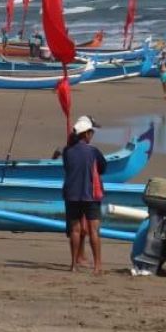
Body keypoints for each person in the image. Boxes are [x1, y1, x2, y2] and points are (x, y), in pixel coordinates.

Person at [62, 115, 107, 274]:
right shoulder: (93, 151)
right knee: (94, 230)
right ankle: (97, 266)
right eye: (91, 133)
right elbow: (103, 168)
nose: (92, 135)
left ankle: (73, 265)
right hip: (90, 195)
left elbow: (67, 167)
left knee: (75, 230)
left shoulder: (67, 151)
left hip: (72, 194)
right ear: (86, 134)